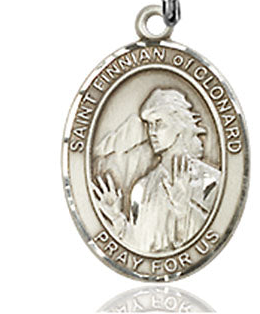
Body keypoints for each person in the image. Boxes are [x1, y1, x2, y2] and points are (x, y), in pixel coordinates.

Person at [92, 88, 221, 253]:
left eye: (159, 123)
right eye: (149, 125)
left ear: (179, 124)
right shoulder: (142, 187)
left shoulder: (210, 181)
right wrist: (117, 218)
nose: (152, 132)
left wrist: (184, 210)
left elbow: (215, 241)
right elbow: (140, 247)